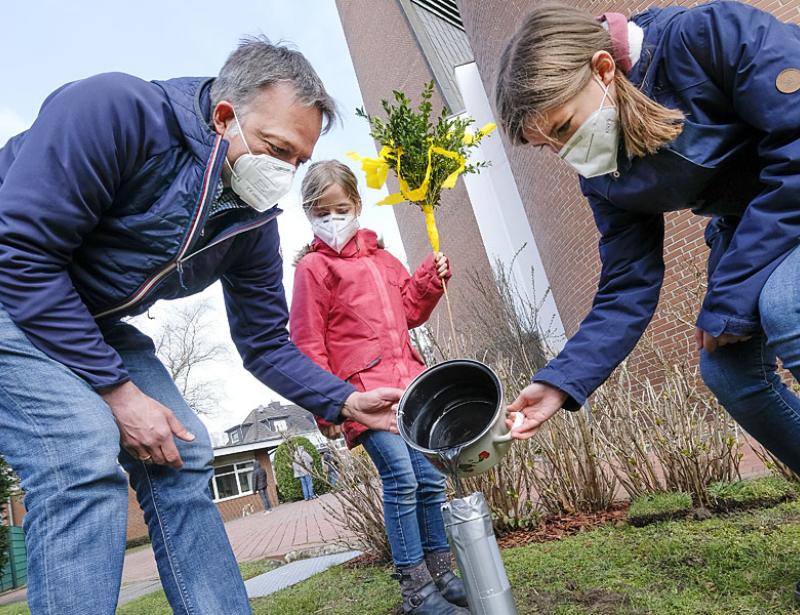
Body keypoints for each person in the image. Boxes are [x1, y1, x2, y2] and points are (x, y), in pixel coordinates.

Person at [0, 39, 402, 615]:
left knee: (184, 452)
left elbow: (264, 340)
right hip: (13, 281)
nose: (285, 172)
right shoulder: (114, 111)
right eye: (276, 148)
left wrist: (343, 400)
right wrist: (119, 392)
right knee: (79, 458)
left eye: (297, 159)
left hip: (86, 316)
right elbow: (21, 253)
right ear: (224, 117)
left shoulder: (251, 222)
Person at [497, 0, 800, 571]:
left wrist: (730, 298)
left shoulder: (709, 36)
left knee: (786, 308)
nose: (566, 153)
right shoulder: (603, 168)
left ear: (603, 69)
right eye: (548, 146)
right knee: (730, 374)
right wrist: (560, 382)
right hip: (753, 223)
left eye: (563, 128)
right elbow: (627, 282)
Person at [290, 160, 469, 615]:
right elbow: (307, 341)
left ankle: (441, 574)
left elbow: (409, 312)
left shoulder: (384, 260)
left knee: (430, 480)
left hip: (410, 390)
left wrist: (428, 279)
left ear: (357, 205)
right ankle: (416, 590)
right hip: (362, 396)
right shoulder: (313, 268)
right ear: (309, 214)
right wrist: (328, 407)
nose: (333, 219)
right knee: (401, 479)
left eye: (341, 209)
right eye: (321, 212)